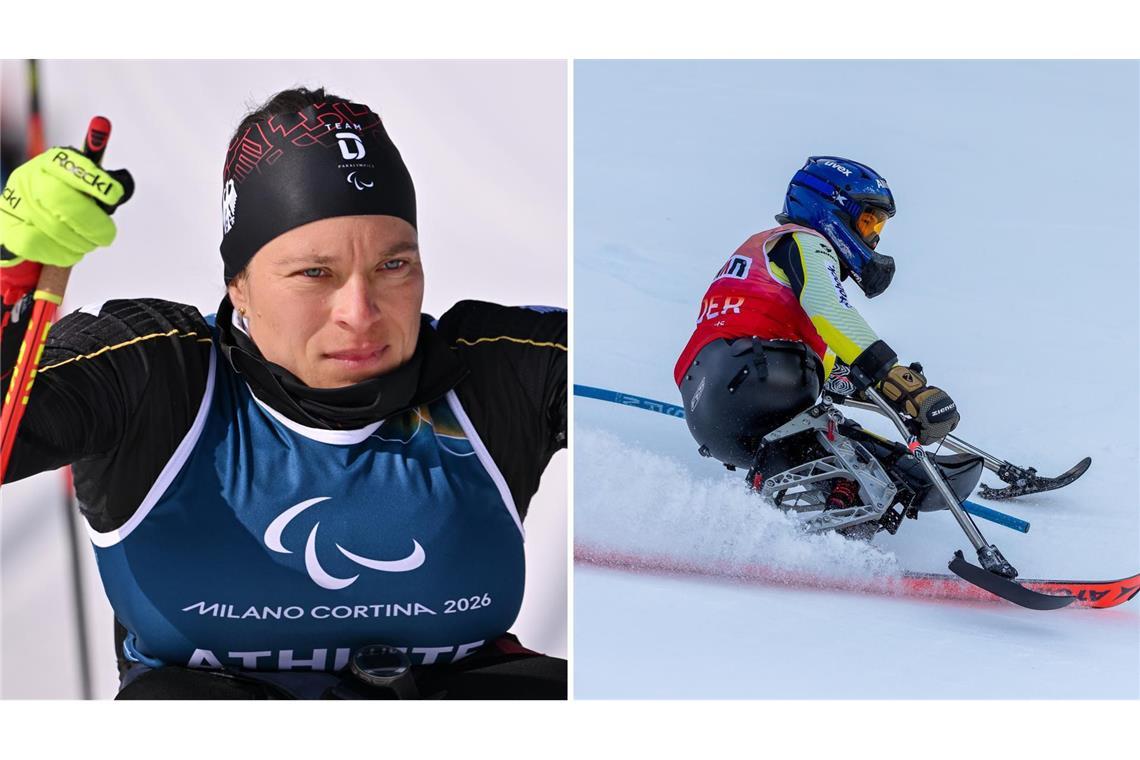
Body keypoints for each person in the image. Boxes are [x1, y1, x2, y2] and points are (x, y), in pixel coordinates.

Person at [0, 87, 567, 699]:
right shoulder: (152, 371)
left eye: (393, 266)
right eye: (314, 274)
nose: (359, 312)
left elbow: (662, 377)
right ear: (238, 285)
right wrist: (5, 278)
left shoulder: (497, 371)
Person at [673, 156, 961, 511]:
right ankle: (908, 481)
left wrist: (857, 380)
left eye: (878, 228)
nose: (871, 238)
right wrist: (895, 379)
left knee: (820, 443)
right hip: (760, 374)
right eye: (868, 221)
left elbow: (783, 326)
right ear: (829, 208)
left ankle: (808, 530)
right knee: (875, 461)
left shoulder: (760, 249)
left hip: (712, 410)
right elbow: (829, 308)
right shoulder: (803, 240)